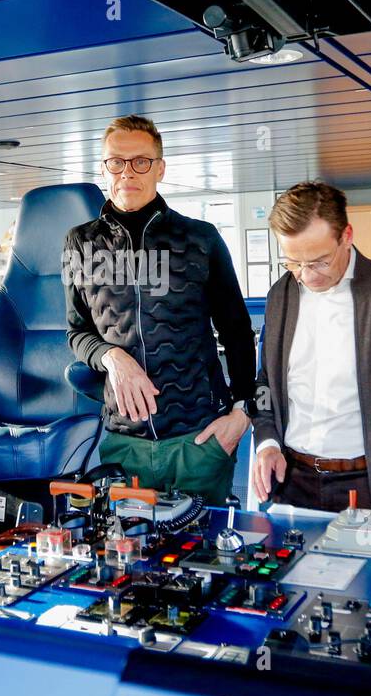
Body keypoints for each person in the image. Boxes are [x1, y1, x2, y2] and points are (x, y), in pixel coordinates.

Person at [63, 114, 255, 505]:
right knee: (126, 561)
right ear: (104, 168)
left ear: (160, 168)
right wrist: (111, 356)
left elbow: (237, 330)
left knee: (206, 560)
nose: (127, 172)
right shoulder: (79, 243)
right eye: (116, 162)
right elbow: (76, 332)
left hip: (199, 439)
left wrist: (242, 413)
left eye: (141, 162)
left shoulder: (201, 239)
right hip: (123, 442)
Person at [250, 182, 371, 511]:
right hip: (293, 482)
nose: (307, 276)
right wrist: (267, 442)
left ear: (347, 236)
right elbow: (265, 382)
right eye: (294, 263)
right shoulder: (281, 296)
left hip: (370, 486)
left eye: (320, 261)